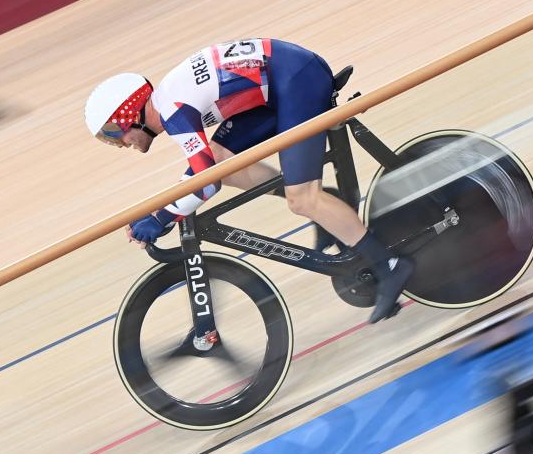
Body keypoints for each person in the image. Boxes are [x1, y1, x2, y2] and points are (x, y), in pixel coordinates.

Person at [85, 38, 413, 323]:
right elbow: (209, 170)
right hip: (278, 83)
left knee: (303, 200)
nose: (119, 143)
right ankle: (324, 204)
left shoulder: (173, 111)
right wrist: (163, 213)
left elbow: (204, 182)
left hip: (296, 80)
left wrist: (162, 216)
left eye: (114, 133)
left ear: (130, 113)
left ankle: (390, 265)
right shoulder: (171, 102)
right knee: (224, 162)